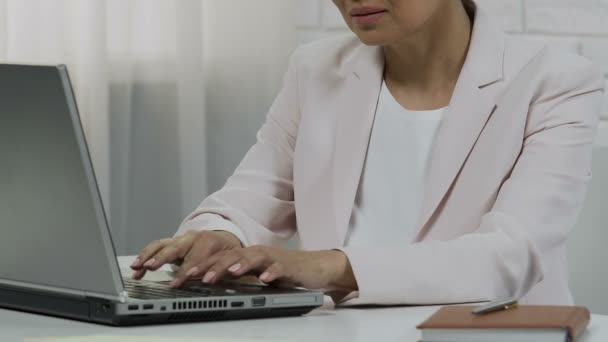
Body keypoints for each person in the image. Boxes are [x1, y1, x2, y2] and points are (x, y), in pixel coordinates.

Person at [130, 0, 605, 306]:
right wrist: (221, 235)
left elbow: (509, 257)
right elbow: (253, 194)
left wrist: (331, 266)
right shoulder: (315, 70)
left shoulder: (555, 82)